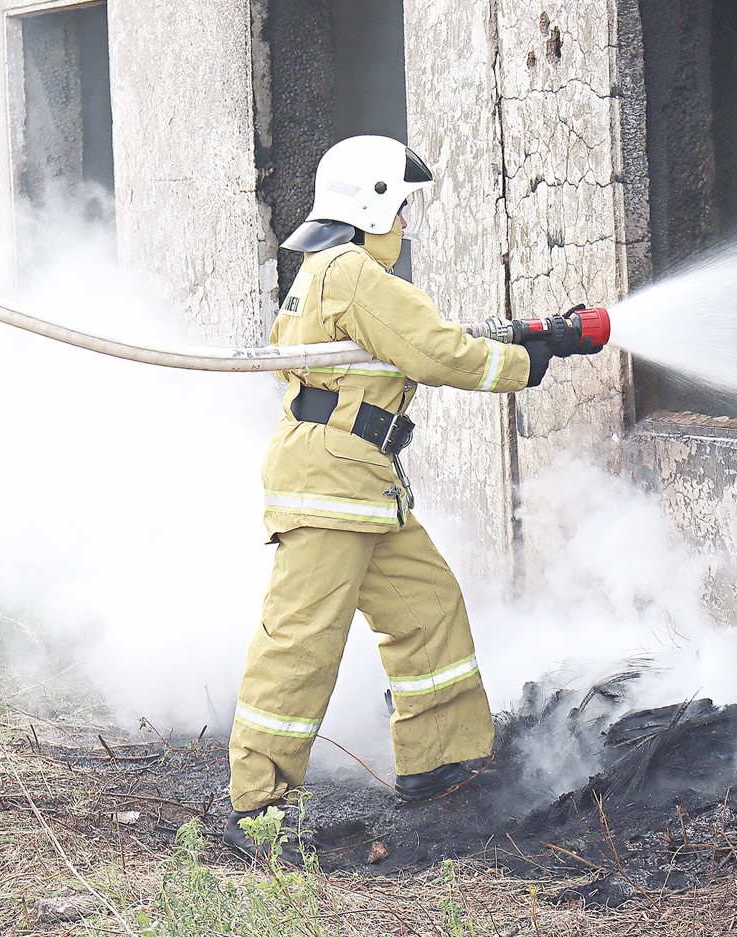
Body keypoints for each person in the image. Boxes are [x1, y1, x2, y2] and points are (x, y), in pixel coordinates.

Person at [224, 135, 601, 864]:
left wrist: (533, 333)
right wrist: (531, 359)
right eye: (400, 209)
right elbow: (435, 351)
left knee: (428, 607)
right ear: (370, 207)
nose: (406, 226)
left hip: (358, 482)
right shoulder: (352, 271)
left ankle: (441, 762)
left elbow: (420, 336)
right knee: (301, 641)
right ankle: (259, 806)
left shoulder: (329, 270)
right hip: (333, 480)